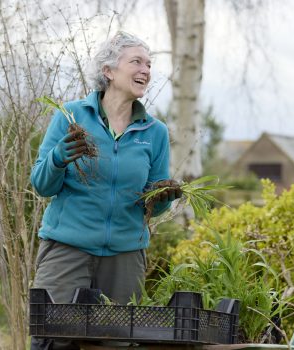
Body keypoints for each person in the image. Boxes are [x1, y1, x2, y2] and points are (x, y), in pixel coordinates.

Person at [30, 31, 181, 349]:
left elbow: (152, 208)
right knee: (52, 341)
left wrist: (162, 198)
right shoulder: (71, 116)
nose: (145, 70)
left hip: (125, 258)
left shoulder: (155, 133)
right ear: (108, 71)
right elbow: (42, 185)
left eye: (149, 64)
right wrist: (59, 157)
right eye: (136, 61)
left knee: (116, 344)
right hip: (67, 250)